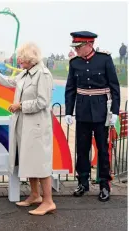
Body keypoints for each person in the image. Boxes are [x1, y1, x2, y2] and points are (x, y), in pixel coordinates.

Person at [0, 42, 56, 216]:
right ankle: (35, 195)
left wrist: (20, 105)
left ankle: (48, 201)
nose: (19, 59)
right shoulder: (26, 73)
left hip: (36, 125)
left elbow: (43, 102)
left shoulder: (43, 75)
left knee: (40, 163)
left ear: (31, 58)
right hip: (25, 125)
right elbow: (9, 81)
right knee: (29, 159)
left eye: (22, 57)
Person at [65, 31, 120, 202]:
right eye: (75, 46)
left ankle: (104, 184)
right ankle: (83, 182)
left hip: (101, 111)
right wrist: (68, 111)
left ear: (89, 44)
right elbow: (71, 89)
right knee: (82, 149)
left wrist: (115, 112)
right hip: (82, 111)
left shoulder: (104, 59)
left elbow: (114, 87)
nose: (76, 50)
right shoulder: (74, 63)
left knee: (103, 150)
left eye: (79, 46)